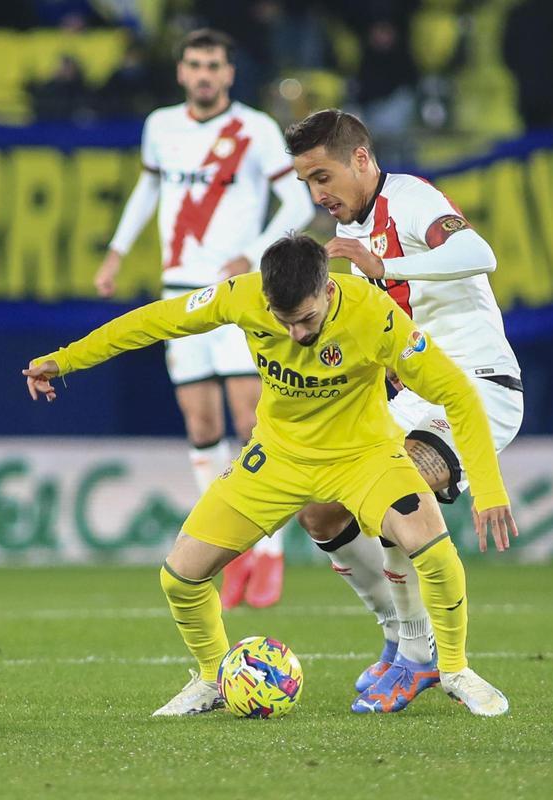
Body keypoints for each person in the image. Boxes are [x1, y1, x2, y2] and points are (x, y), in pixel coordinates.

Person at [23, 234, 519, 717]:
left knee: (431, 544)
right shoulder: (243, 295)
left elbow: (456, 391)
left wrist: (489, 489)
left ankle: (454, 670)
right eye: (285, 323)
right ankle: (213, 678)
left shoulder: (375, 314)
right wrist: (64, 360)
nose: (298, 334)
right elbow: (155, 321)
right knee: (180, 577)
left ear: (328, 289)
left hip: (363, 456)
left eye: (306, 319)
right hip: (277, 458)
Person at [285, 109, 524, 713]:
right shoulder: (349, 236)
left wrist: (386, 265)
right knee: (319, 509)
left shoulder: (411, 199)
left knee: (398, 487)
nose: (319, 194)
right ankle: (397, 635)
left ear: (361, 159)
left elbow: (480, 253)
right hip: (412, 399)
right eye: (307, 183)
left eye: (324, 176)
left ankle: (422, 655)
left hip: (477, 386)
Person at [92, 28, 315, 609]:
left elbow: (297, 201)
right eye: (195, 64)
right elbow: (148, 187)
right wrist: (117, 251)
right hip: (178, 293)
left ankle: (269, 551)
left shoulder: (256, 130)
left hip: (239, 295)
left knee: (251, 418)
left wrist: (261, 251)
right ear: (181, 72)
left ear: (230, 73)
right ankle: (230, 545)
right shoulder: (161, 126)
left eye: (214, 64)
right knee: (199, 422)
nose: (205, 74)